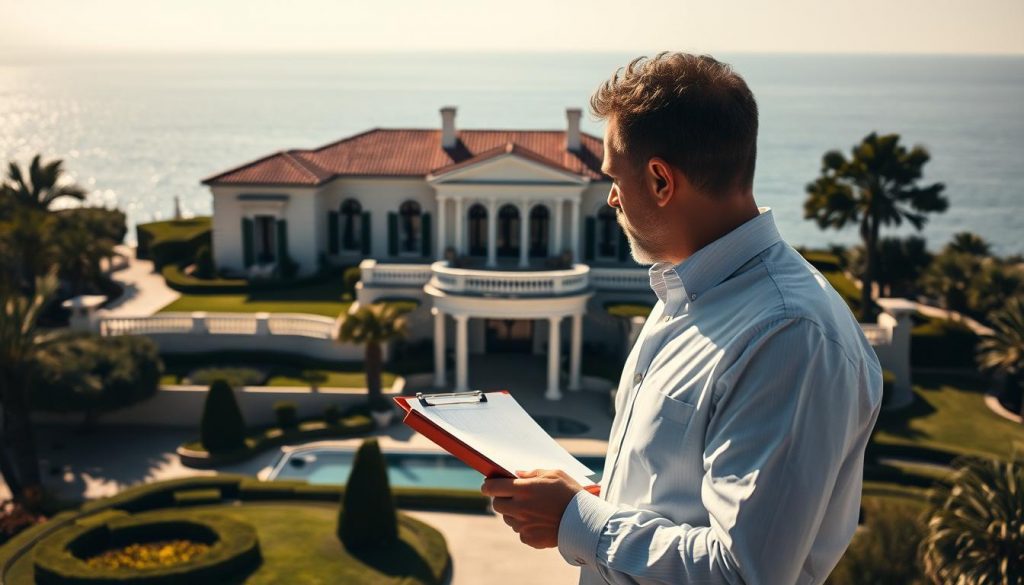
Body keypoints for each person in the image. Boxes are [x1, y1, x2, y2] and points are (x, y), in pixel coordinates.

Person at [480, 52, 883, 585]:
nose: (611, 198)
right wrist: (584, 502)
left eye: (614, 177)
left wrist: (575, 520)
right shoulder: (684, 293)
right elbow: (669, 495)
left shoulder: (789, 337)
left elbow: (742, 574)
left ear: (660, 181)